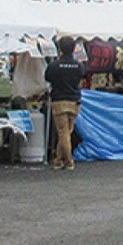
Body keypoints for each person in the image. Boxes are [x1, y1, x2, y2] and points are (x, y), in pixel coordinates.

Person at [45, 36, 85, 171]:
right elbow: (82, 76)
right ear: (74, 49)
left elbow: (47, 77)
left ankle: (68, 161)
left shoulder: (54, 65)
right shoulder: (78, 65)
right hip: (74, 101)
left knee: (63, 132)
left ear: (60, 49)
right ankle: (58, 160)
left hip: (59, 100)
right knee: (67, 131)